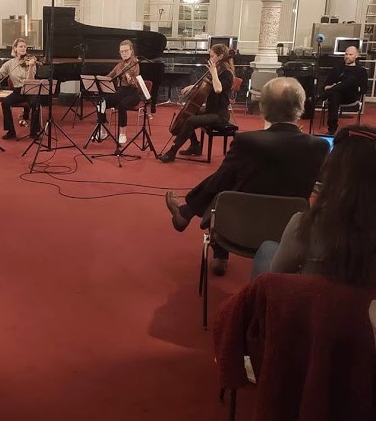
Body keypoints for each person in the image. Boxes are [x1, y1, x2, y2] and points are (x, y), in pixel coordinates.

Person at [164, 77, 330, 275]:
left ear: (263, 108)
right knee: (232, 181)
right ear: (301, 107)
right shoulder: (319, 146)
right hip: (289, 232)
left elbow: (219, 181)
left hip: (238, 229)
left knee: (225, 185)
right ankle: (190, 219)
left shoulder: (247, 141)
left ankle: (211, 244)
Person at [252, 124, 376, 283]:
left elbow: (275, 278)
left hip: (309, 306)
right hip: (365, 307)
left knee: (267, 249)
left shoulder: (305, 226)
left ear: (332, 171)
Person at [158, 43, 235, 163]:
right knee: (189, 114)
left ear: (220, 57)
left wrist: (214, 72)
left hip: (220, 114)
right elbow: (207, 84)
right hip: (210, 111)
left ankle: (172, 151)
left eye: (212, 56)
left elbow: (218, 89)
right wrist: (193, 86)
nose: (210, 59)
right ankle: (195, 145)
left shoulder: (227, 74)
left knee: (190, 121)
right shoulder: (218, 71)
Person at [0, 38, 42, 140]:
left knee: (36, 103)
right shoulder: (10, 63)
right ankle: (11, 131)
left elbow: (30, 80)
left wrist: (31, 67)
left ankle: (34, 132)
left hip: (29, 90)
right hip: (18, 91)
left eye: (24, 46)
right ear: (15, 48)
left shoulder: (30, 62)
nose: (23, 48)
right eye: (20, 46)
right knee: (5, 102)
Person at [95, 39, 141, 145]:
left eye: (126, 51)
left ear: (131, 51)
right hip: (120, 93)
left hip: (132, 93)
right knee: (101, 102)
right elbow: (109, 76)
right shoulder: (120, 65)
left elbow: (132, 82)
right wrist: (98, 79)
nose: (124, 53)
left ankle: (122, 134)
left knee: (122, 105)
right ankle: (103, 131)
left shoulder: (135, 63)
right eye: (122, 51)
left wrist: (129, 78)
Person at [321, 45, 368, 136]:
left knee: (351, 81)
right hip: (336, 96)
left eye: (350, 54)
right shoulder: (337, 68)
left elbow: (364, 89)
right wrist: (332, 87)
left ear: (356, 56)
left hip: (351, 95)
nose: (347, 56)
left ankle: (324, 95)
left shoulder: (361, 71)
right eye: (346, 54)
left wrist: (356, 87)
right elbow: (325, 85)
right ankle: (332, 129)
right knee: (335, 94)